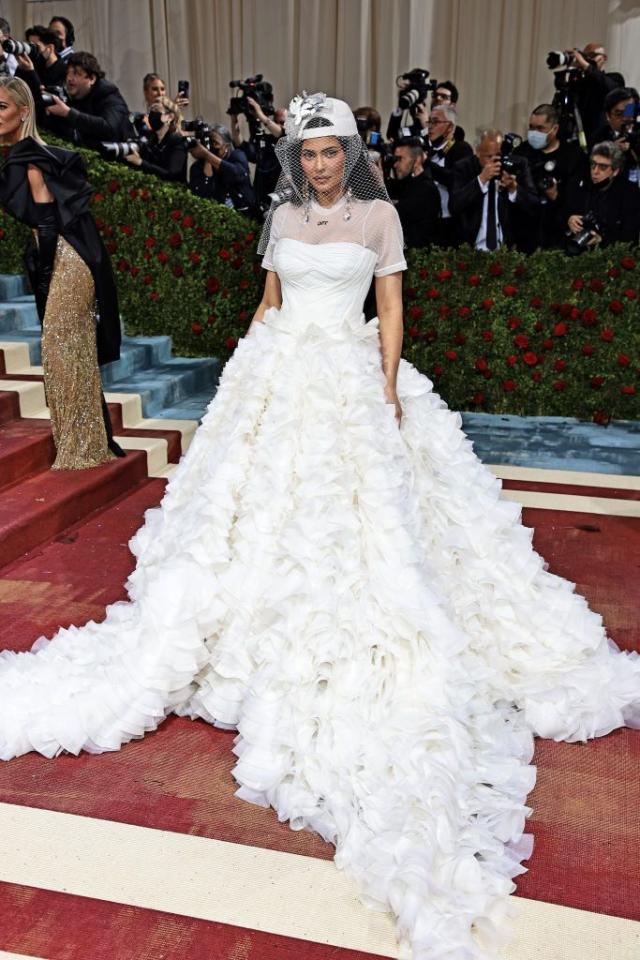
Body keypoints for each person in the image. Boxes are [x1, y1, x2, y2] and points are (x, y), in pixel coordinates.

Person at [0, 90, 639, 960]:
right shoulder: (281, 218)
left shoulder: (380, 218)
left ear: (352, 152)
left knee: (365, 526)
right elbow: (267, 304)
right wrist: (241, 384)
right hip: (279, 373)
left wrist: (386, 387)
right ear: (296, 159)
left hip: (347, 375)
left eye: (331, 152)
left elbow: (391, 309)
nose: (319, 165)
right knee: (250, 517)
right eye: (307, 154)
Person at [0, 77, 123, 468]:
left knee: (59, 347)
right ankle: (86, 445)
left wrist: (46, 272)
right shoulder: (22, 155)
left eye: (2, 107)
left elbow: (49, 224)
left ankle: (79, 450)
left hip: (69, 259)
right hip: (65, 256)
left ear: (23, 112)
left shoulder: (32, 158)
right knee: (72, 349)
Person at [513, 103, 587, 251]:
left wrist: (556, 195)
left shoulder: (572, 156)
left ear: (555, 129)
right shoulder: (522, 152)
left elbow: (577, 198)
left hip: (557, 232)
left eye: (540, 129)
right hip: (524, 229)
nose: (534, 133)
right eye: (531, 127)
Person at [450, 128, 538, 250]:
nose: (494, 161)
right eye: (489, 156)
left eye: (498, 155)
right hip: (471, 250)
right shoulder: (463, 167)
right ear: (477, 152)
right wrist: (481, 180)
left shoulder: (518, 165)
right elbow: (455, 205)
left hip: (508, 251)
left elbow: (534, 205)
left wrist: (514, 188)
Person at [43, 51, 135, 149]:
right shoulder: (70, 95)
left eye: (76, 73)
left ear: (92, 79)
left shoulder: (109, 94)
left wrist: (69, 113)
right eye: (68, 73)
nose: (69, 78)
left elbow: (109, 128)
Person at [563, 140, 640, 250]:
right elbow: (561, 213)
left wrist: (602, 240)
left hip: (613, 252)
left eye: (603, 167)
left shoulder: (630, 193)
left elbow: (630, 235)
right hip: (576, 249)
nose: (595, 171)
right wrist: (569, 218)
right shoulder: (578, 184)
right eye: (593, 164)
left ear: (615, 171)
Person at [422, 105, 473, 246]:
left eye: (435, 122)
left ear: (450, 127)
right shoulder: (427, 149)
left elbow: (455, 179)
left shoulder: (461, 149)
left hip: (452, 225)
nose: (430, 127)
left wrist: (426, 163)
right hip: (429, 222)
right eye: (429, 122)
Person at [189, 122, 257, 217]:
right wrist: (207, 159)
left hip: (245, 213)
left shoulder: (237, 155)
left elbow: (237, 175)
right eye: (208, 143)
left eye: (215, 143)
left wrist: (207, 155)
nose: (211, 147)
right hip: (216, 217)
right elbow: (202, 194)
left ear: (226, 146)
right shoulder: (198, 166)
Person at [387, 136, 441, 247]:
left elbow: (394, 216)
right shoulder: (407, 184)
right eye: (395, 160)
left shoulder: (425, 189)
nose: (395, 165)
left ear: (417, 160)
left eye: (400, 159)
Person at [123, 96, 188, 182]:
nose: (152, 115)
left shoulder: (178, 140)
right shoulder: (151, 140)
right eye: (150, 111)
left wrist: (141, 162)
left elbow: (172, 174)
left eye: (156, 110)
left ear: (170, 117)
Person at [571, 42, 625, 146]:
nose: (587, 59)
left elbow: (611, 88)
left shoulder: (614, 78)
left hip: (601, 140)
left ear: (604, 58)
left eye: (592, 56)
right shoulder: (579, 82)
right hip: (577, 141)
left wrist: (586, 66)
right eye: (585, 56)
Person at [16, 25, 67, 91]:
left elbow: (45, 96)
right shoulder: (33, 64)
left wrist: (31, 72)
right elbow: (15, 89)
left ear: (50, 48)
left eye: (36, 46)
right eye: (30, 46)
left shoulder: (64, 70)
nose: (32, 50)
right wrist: (21, 68)